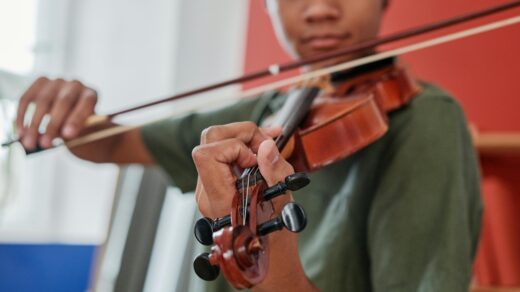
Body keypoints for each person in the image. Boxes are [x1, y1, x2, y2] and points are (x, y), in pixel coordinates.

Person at [14, 0, 482, 291]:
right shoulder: (269, 109)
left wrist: (270, 249)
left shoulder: (421, 122)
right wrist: (76, 115)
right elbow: (116, 145)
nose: (319, 8)